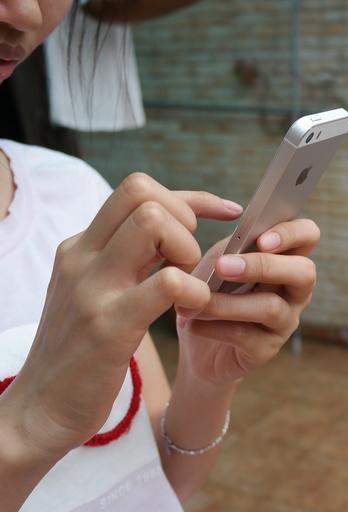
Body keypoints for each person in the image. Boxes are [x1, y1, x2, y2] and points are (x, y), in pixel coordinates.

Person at [0, 1, 320, 510]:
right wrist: (28, 425)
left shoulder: (74, 190)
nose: (25, 12)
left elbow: (161, 482)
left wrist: (205, 378)